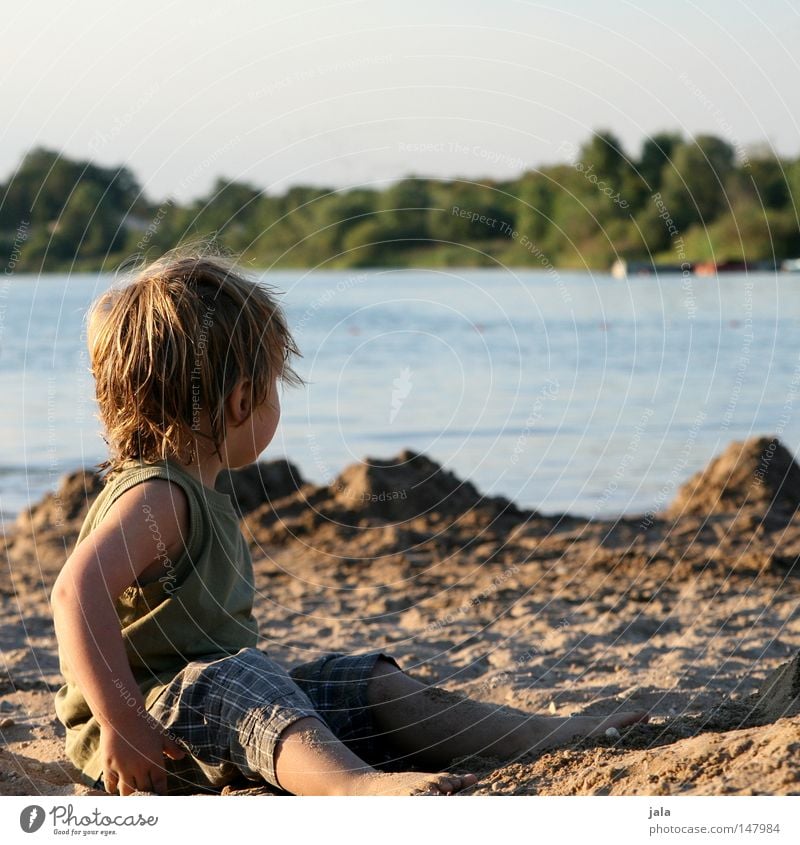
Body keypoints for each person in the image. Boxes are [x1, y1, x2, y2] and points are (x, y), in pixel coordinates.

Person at [51, 248, 647, 797]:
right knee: (243, 679)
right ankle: (355, 790)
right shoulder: (159, 496)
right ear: (241, 400)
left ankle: (535, 738)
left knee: (361, 682)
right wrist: (121, 719)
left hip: (207, 714)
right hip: (152, 736)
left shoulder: (189, 491)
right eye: (274, 389)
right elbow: (76, 592)